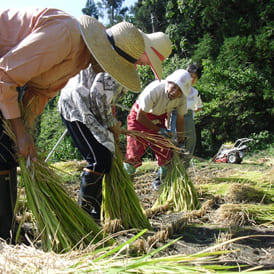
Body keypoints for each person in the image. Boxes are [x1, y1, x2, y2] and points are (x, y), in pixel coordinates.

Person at [0, 7, 170, 240]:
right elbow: (5, 74)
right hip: (4, 74)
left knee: (9, 150)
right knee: (2, 149)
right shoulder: (66, 36)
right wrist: (19, 131)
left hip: (8, 79)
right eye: (115, 65)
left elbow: (39, 92)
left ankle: (7, 224)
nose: (112, 72)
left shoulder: (80, 60)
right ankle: (4, 231)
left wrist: (27, 130)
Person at [58, 32, 172, 220]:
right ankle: (85, 215)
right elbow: (98, 96)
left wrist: (112, 125)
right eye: (148, 60)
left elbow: (105, 100)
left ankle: (97, 210)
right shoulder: (121, 61)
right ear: (143, 51)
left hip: (88, 109)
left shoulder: (124, 61)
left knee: (105, 158)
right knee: (99, 158)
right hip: (77, 107)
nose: (147, 65)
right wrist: (111, 125)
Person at [123, 69, 196, 189]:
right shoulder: (154, 90)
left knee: (166, 152)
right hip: (139, 119)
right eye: (174, 87)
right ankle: (125, 185)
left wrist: (180, 141)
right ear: (169, 83)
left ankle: (161, 186)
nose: (175, 92)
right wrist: (159, 130)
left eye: (179, 90)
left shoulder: (182, 98)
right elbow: (140, 116)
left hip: (158, 119)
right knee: (133, 154)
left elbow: (180, 119)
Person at [170, 64, 203, 155]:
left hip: (188, 118)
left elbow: (199, 107)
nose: (191, 79)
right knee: (175, 141)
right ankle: (172, 164)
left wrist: (191, 112)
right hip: (175, 116)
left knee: (190, 141)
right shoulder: (176, 88)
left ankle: (185, 165)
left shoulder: (195, 92)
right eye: (190, 76)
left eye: (194, 77)